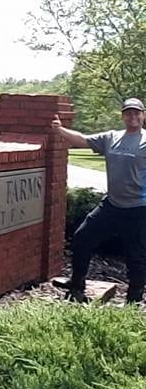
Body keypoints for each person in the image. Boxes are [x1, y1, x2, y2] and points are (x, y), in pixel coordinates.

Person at [53, 97, 146, 303]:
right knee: (82, 238)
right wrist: (60, 130)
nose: (132, 116)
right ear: (123, 116)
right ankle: (76, 284)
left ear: (143, 115)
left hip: (138, 210)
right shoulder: (111, 137)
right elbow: (83, 140)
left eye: (136, 112)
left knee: (136, 256)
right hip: (111, 205)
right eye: (128, 113)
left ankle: (133, 300)